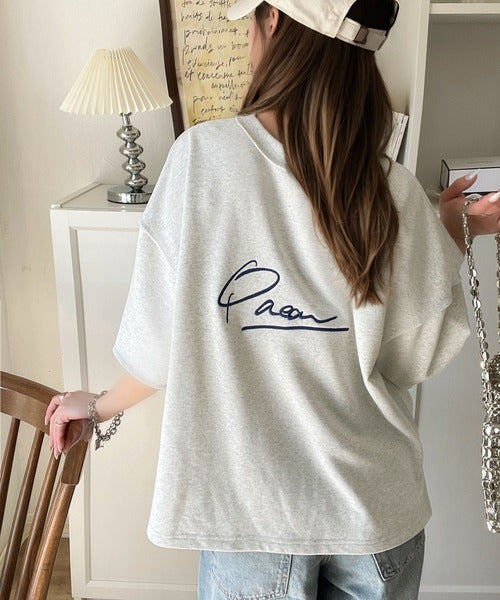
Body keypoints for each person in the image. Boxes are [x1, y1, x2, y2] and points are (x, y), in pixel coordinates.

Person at [46, 1, 500, 598]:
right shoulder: (392, 188)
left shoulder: (201, 161)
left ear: (277, 22)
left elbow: (159, 350)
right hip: (376, 518)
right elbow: (411, 359)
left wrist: (97, 406)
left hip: (255, 522)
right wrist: (445, 232)